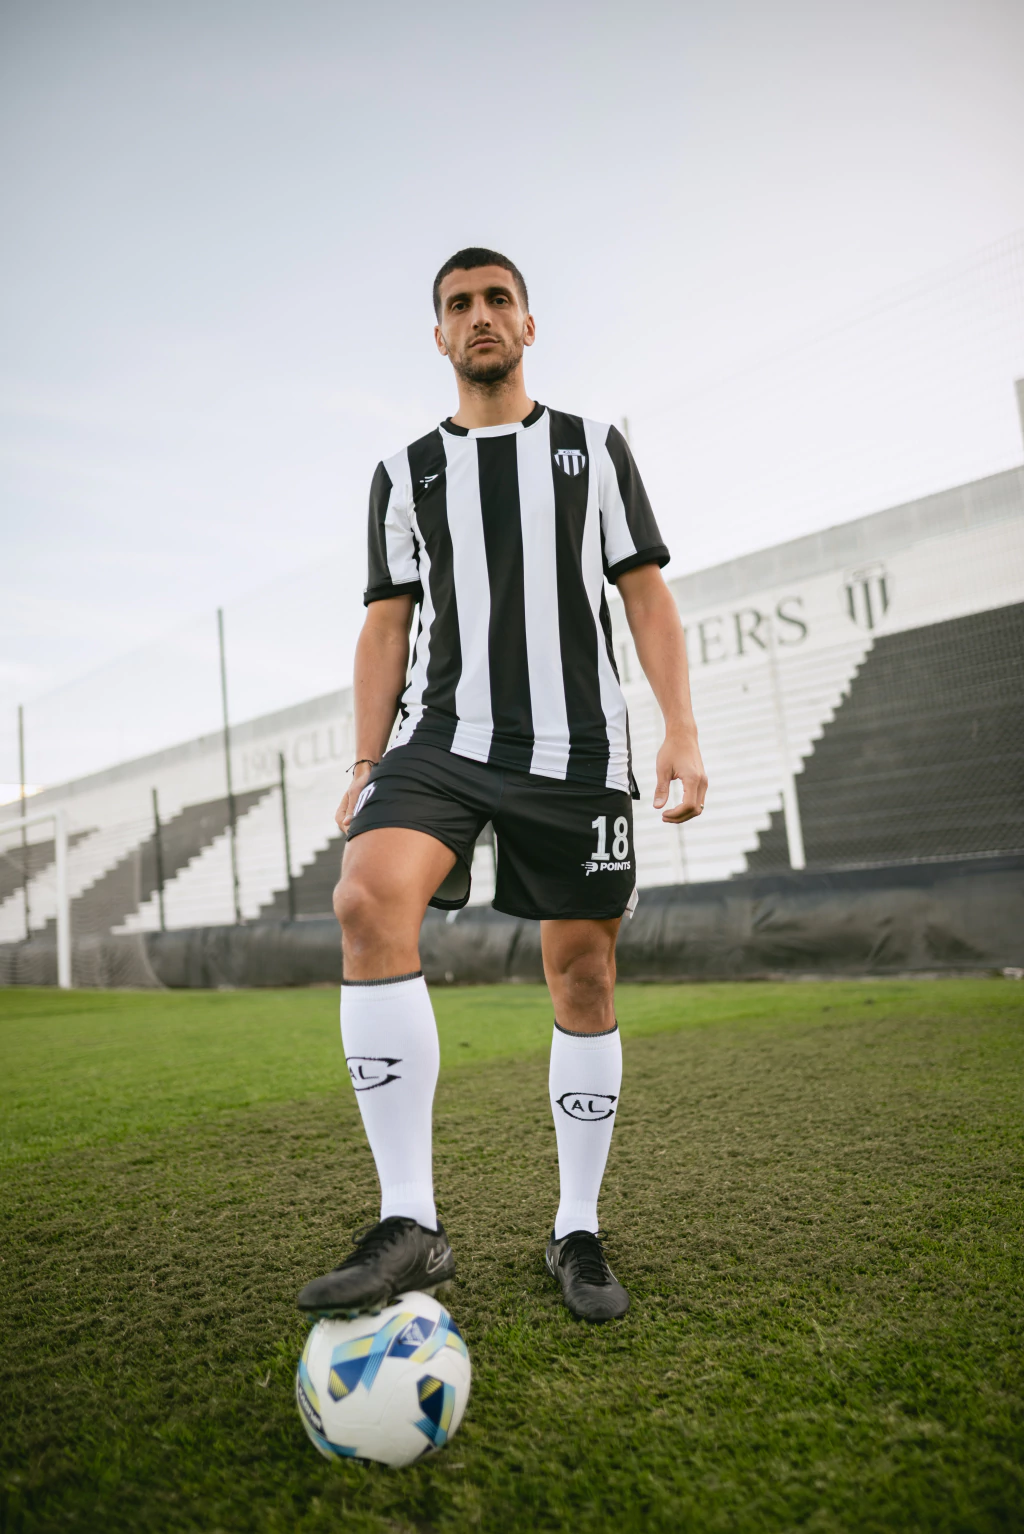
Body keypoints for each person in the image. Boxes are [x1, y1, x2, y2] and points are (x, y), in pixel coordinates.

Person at [297, 247, 706, 1324]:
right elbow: (385, 625)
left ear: (528, 324)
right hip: (441, 739)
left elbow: (646, 596)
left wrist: (679, 729)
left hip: (577, 749)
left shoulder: (592, 448)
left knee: (583, 974)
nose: (478, 316)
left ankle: (576, 1227)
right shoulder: (403, 472)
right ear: (438, 336)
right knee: (363, 899)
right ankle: (411, 1222)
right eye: (458, 305)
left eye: (496, 300)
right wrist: (365, 760)